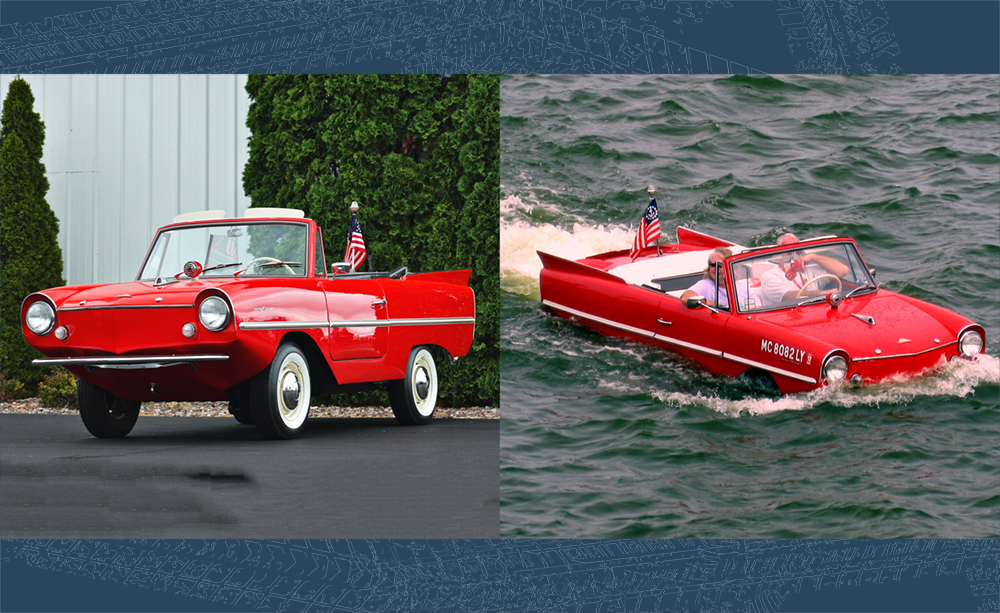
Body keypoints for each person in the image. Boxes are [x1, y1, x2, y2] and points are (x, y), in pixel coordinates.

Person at [759, 233, 849, 305]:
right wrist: (824, 294)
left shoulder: (810, 270)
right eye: (789, 251)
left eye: (797, 251)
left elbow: (843, 271)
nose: (794, 254)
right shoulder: (770, 276)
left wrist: (813, 257)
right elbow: (789, 297)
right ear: (779, 253)